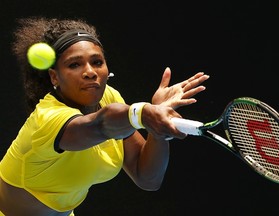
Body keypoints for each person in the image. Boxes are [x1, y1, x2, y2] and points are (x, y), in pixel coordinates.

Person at [0, 16, 209, 216]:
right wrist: (143, 113)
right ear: (55, 76)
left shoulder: (109, 96)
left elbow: (147, 178)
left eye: (97, 62)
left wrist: (158, 130)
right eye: (74, 64)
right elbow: (101, 124)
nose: (90, 72)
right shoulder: (48, 117)